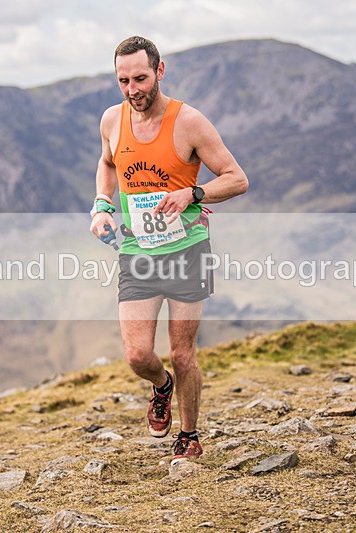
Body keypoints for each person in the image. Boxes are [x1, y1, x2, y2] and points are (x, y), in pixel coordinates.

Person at [89, 36, 248, 464]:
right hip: (138, 249)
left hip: (187, 249)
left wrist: (193, 194)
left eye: (140, 78)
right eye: (123, 80)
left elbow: (237, 178)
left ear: (160, 71)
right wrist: (102, 206)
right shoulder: (112, 120)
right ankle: (162, 386)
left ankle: (190, 434)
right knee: (139, 355)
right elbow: (107, 164)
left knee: (182, 352)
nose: (132, 89)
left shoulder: (190, 122)